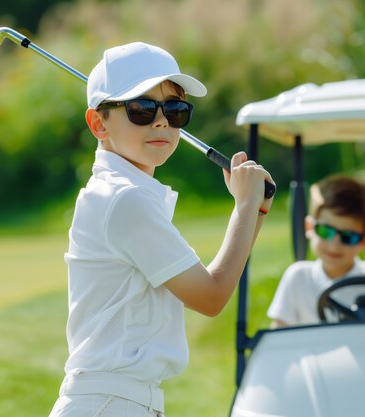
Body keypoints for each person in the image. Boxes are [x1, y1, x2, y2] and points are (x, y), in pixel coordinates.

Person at [48, 41, 274, 417]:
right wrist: (246, 207)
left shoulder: (123, 195)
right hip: (109, 403)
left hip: (120, 401)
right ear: (98, 124)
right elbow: (211, 296)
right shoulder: (124, 201)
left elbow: (210, 289)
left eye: (175, 110)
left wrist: (255, 211)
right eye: (140, 109)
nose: (160, 122)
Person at [267, 174, 365, 328]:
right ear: (309, 227)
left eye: (348, 237)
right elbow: (279, 333)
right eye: (326, 231)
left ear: (364, 241)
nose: (334, 245)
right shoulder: (298, 278)